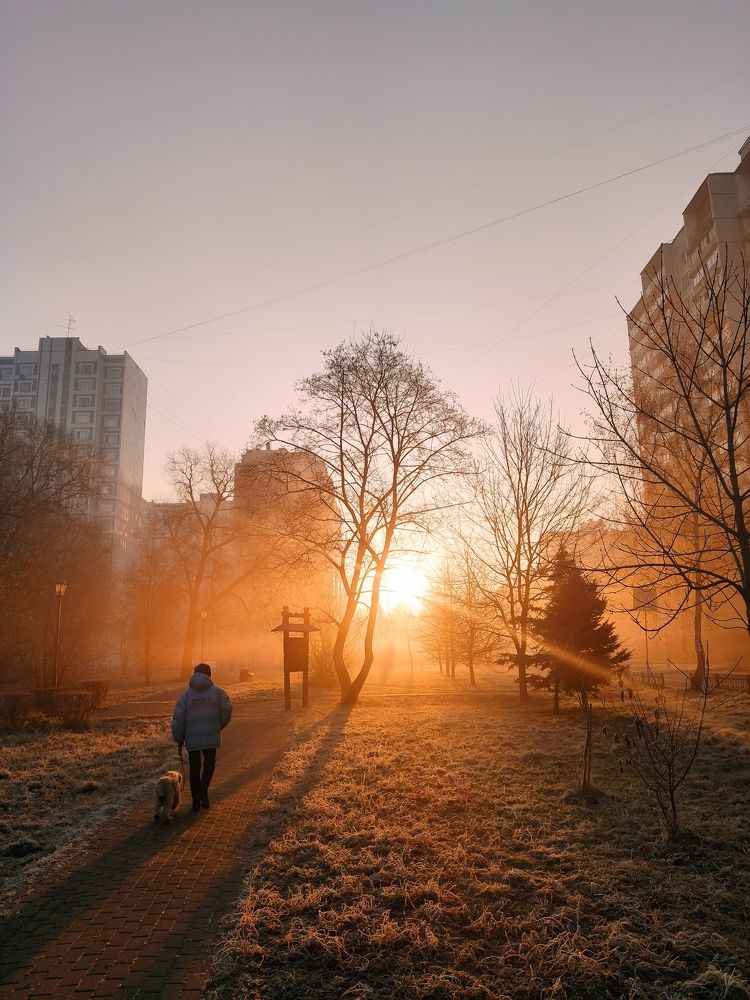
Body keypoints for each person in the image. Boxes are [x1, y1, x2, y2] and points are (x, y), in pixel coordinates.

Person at [171, 663, 232, 812]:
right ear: (209, 675)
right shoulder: (218, 692)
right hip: (211, 735)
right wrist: (218, 726)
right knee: (209, 764)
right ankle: (203, 791)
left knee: (194, 768)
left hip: (192, 738)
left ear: (194, 674)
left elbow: (178, 719)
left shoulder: (186, 695)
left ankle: (195, 803)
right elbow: (227, 710)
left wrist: (179, 739)